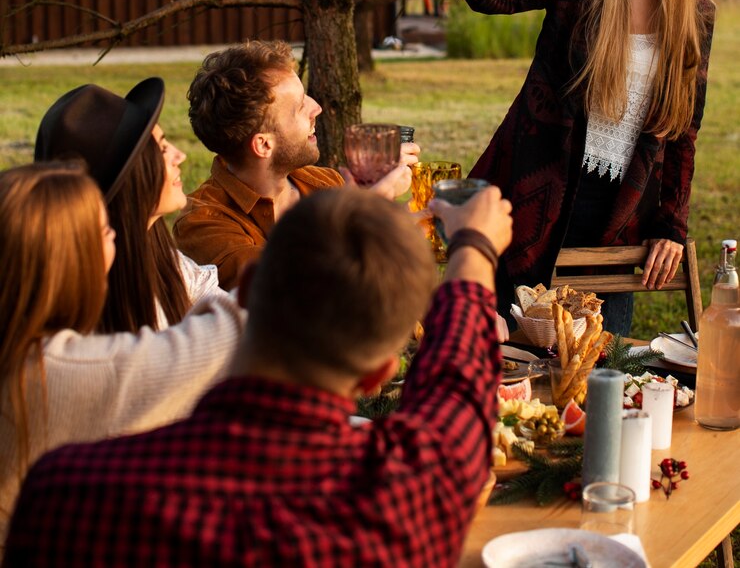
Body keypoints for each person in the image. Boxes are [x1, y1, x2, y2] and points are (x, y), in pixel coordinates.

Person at [5, 181, 513, 567]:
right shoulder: (413, 493)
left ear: (244, 291)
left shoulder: (67, 492)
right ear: (378, 374)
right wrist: (473, 248)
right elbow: (457, 385)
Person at [426, 0, 714, 335]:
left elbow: (685, 130)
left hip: (621, 216)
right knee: (510, 354)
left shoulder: (696, 14)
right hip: (542, 194)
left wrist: (672, 230)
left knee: (603, 366)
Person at [0, 162, 246, 549]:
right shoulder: (60, 372)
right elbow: (217, 341)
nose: (114, 237)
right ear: (68, 259)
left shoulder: (20, 345)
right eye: (103, 231)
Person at [174, 40, 417, 288]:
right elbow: (286, 290)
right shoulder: (202, 224)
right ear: (264, 145)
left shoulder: (325, 183)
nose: (317, 108)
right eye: (300, 106)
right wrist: (367, 212)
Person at [35, 77, 231, 332]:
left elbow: (226, 311)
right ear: (131, 178)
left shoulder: (163, 257)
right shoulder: (82, 310)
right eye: (162, 149)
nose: (179, 156)